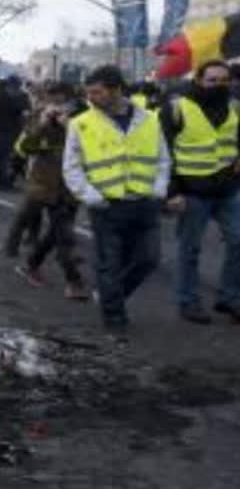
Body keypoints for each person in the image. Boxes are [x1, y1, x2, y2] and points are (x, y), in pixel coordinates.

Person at [63, 64, 171, 334]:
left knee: (149, 259)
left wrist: (159, 190)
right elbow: (71, 166)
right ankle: (114, 318)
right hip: (107, 206)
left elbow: (162, 159)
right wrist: (91, 196)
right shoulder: (81, 123)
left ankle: (111, 295)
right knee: (108, 264)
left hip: (145, 203)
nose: (91, 98)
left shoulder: (150, 119)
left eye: (97, 92)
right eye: (89, 93)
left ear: (117, 90)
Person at [159, 60, 240, 324]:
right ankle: (188, 302)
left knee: (238, 242)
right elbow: (163, 154)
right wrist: (172, 192)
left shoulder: (234, 106)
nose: (219, 85)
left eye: (224, 80)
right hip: (192, 192)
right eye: (212, 80)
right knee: (190, 249)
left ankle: (230, 299)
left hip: (228, 189)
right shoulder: (176, 109)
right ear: (199, 81)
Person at [13, 82, 89, 300]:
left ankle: (32, 264)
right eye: (52, 100)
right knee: (64, 235)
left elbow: (92, 146)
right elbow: (25, 146)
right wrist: (44, 124)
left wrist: (70, 126)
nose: (56, 105)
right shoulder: (40, 115)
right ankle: (74, 281)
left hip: (73, 184)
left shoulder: (84, 117)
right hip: (47, 183)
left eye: (61, 100)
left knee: (57, 232)